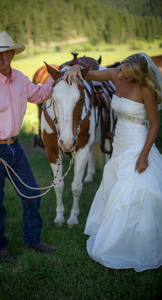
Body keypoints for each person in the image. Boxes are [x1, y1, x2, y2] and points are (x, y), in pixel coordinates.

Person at [0, 31, 57, 265]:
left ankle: (32, 238)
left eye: (3, 52)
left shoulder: (21, 79)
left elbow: (39, 93)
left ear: (12, 53)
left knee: (32, 193)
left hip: (15, 148)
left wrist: (57, 76)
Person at [64, 52, 162, 272]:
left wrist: (144, 154)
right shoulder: (115, 73)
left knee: (131, 190)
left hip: (137, 141)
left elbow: (154, 126)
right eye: (121, 70)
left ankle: (133, 242)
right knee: (115, 184)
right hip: (119, 140)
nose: (120, 76)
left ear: (138, 77)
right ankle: (117, 233)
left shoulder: (146, 90)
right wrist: (76, 68)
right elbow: (88, 76)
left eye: (126, 76)